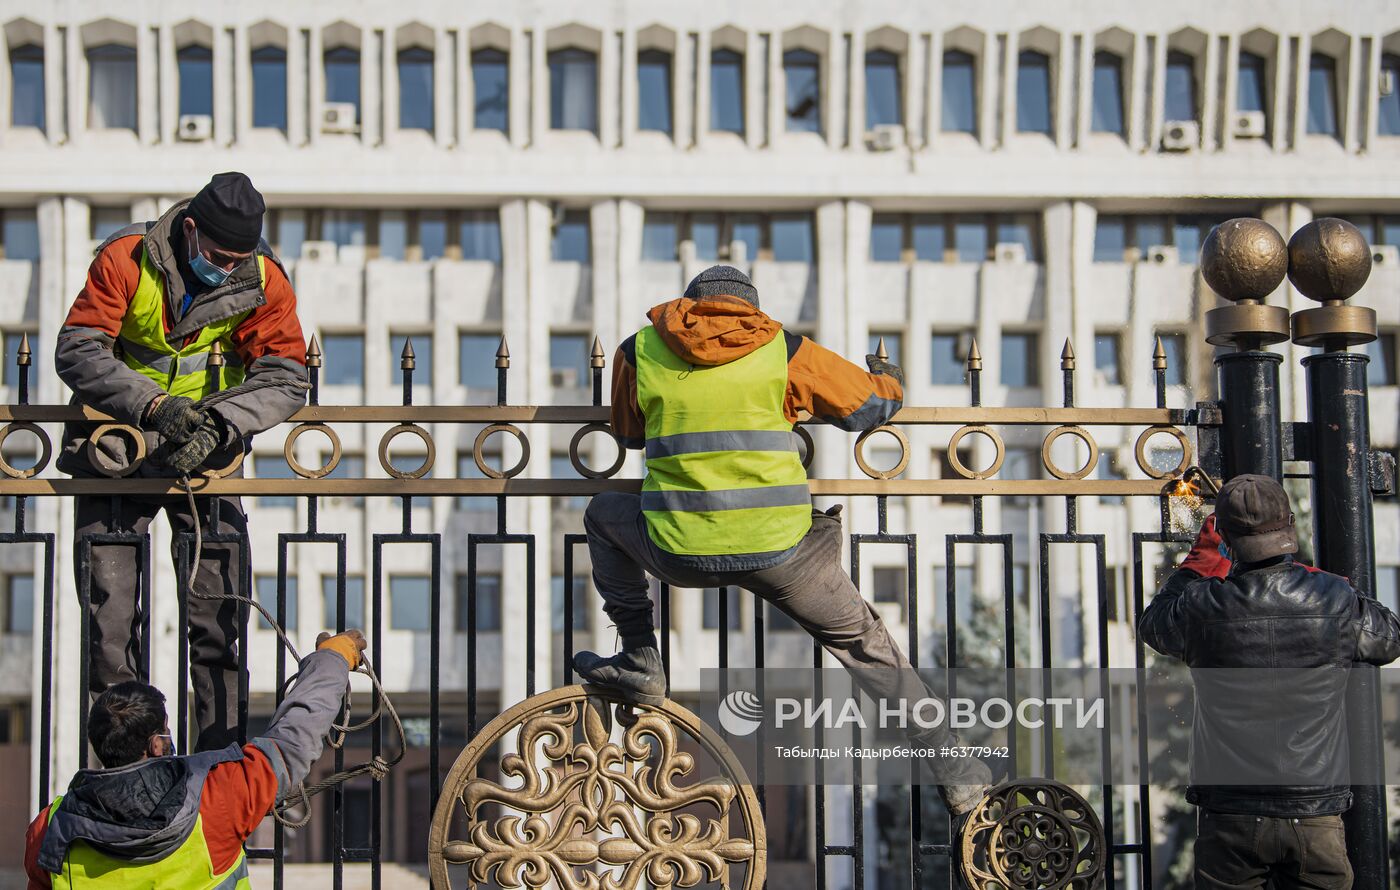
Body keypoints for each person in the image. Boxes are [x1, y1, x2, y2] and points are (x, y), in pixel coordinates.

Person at [572, 265, 992, 814]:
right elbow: (868, 408)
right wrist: (888, 375)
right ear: (750, 306)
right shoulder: (781, 348)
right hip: (783, 552)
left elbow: (627, 434)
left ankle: (641, 657)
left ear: (688, 303)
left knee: (604, 512)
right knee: (867, 646)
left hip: (677, 549)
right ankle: (954, 769)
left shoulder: (638, 349)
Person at [54, 172, 308, 752]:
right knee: (109, 629)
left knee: (217, 626)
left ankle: (218, 768)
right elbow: (78, 349)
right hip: (112, 451)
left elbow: (286, 376)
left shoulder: (263, 280)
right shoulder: (127, 257)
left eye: (240, 258)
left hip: (205, 462)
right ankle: (123, 768)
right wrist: (156, 407)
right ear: (189, 229)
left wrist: (222, 423)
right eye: (220, 257)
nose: (229, 268)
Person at [1140, 474, 1400, 890]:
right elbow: (1388, 636)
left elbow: (1153, 625)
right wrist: (1334, 591)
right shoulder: (1331, 599)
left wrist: (1201, 559)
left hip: (1231, 817)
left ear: (1225, 535)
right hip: (1316, 814)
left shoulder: (1203, 605)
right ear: (1289, 522)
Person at [23, 629, 365, 889]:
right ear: (157, 744)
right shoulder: (219, 797)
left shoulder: (50, 828)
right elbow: (294, 737)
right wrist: (332, 659)